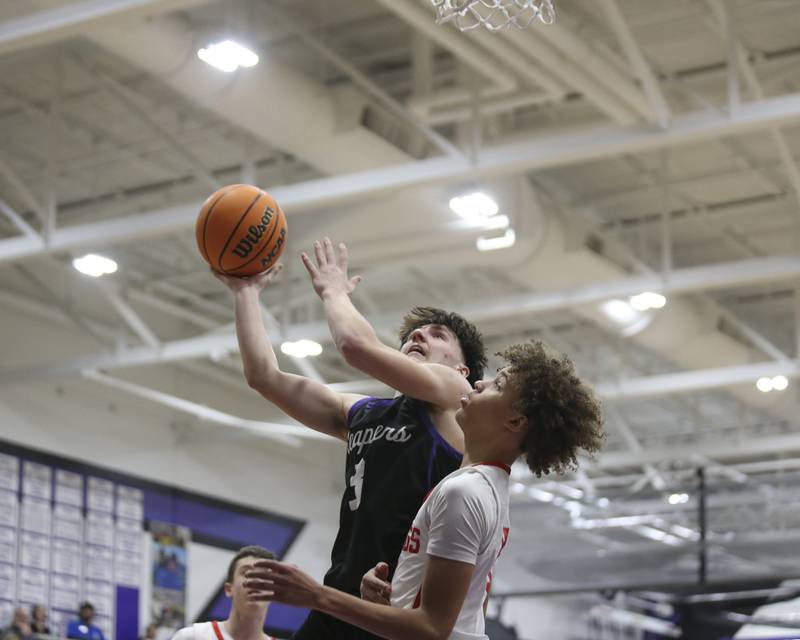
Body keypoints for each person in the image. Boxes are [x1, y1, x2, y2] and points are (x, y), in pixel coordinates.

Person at [215, 237, 486, 639]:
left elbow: (355, 345)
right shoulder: (363, 412)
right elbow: (264, 377)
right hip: (340, 597)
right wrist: (246, 292)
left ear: (462, 370)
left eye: (437, 335)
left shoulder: (454, 398)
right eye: (413, 334)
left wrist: (333, 291)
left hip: (394, 608)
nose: (418, 336)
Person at [243, 341, 605, 640]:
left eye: (498, 385)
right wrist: (396, 599)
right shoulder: (485, 486)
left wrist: (316, 596)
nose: (479, 384)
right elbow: (463, 609)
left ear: (515, 421)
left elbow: (432, 628)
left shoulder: (465, 492)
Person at [172, 545, 275, 640]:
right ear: (229, 589)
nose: (256, 580)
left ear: (273, 592)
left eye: (264, 575)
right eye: (247, 573)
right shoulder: (192, 637)